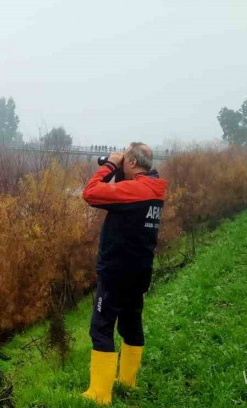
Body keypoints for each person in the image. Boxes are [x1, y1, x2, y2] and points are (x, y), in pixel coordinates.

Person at [80, 142, 168, 405]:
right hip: (139, 271)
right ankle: (128, 383)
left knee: (101, 328)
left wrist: (109, 165)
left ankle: (99, 395)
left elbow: (90, 193)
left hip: (116, 271)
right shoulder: (154, 190)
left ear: (131, 162)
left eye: (124, 160)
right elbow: (122, 206)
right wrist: (121, 170)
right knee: (131, 325)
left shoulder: (133, 190)